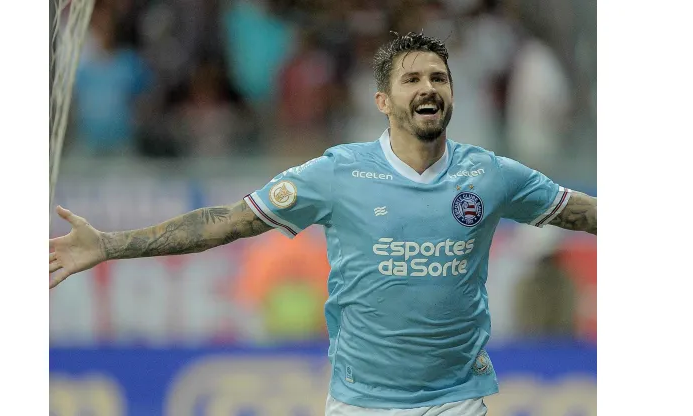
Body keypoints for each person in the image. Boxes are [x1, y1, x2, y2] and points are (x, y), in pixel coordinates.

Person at [49, 32, 597, 416]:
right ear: (383, 100)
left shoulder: (490, 174)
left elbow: (580, 212)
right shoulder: (338, 173)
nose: (428, 87)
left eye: (439, 78)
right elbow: (228, 223)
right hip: (360, 404)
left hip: (456, 400)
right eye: (412, 79)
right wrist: (110, 245)